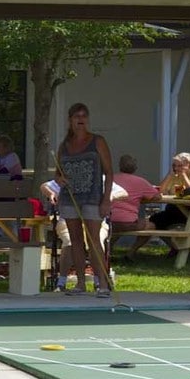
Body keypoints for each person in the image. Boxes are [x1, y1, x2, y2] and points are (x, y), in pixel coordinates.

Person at [55, 102, 114, 297]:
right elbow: (58, 173)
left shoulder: (97, 141)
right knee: (75, 240)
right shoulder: (64, 146)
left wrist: (106, 200)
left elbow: (109, 172)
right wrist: (59, 179)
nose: (81, 119)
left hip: (92, 197)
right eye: (76, 116)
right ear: (70, 120)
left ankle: (103, 284)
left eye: (84, 116)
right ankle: (80, 283)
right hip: (70, 197)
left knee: (94, 240)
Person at [148, 152, 190, 250]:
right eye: (174, 166)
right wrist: (169, 176)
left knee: (187, 225)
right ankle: (175, 248)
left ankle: (179, 249)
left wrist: (184, 176)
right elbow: (161, 191)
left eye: (180, 166)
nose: (176, 168)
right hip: (175, 209)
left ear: (189, 165)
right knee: (155, 220)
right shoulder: (174, 175)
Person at [110, 154, 162, 261]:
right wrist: (142, 198)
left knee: (114, 229)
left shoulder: (110, 179)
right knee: (151, 225)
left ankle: (107, 252)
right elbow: (157, 197)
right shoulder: (140, 181)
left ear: (119, 166)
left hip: (108, 220)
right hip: (128, 223)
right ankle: (131, 253)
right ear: (135, 168)